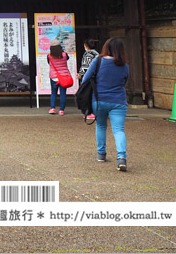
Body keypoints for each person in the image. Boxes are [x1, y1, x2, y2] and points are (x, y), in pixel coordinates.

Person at [82, 37, 130, 171]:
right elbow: (125, 80)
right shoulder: (124, 65)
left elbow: (85, 80)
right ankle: (121, 158)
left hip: (99, 100)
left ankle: (101, 154)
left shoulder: (98, 61)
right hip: (119, 101)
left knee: (101, 125)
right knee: (119, 130)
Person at [47, 39, 74, 115]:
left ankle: (52, 108)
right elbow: (67, 59)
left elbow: (49, 63)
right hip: (64, 77)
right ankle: (61, 110)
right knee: (63, 93)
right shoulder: (65, 55)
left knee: (53, 93)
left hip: (53, 77)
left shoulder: (49, 56)